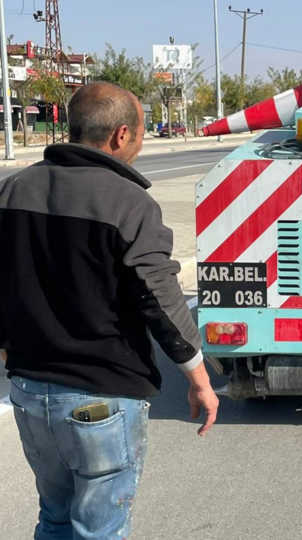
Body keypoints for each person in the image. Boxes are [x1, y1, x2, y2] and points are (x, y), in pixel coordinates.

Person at [0, 82, 219, 539]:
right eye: (139, 134)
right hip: (101, 398)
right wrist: (199, 380)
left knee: (55, 518)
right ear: (121, 135)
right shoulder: (130, 203)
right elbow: (159, 298)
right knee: (100, 529)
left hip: (28, 390)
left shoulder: (12, 189)